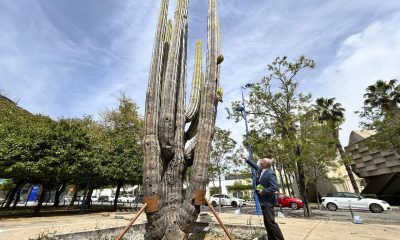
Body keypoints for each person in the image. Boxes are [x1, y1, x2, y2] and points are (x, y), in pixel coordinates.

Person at [245, 157, 285, 240]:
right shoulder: (261, 170)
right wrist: (246, 159)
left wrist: (263, 191)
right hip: (263, 201)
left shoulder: (270, 173)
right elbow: (254, 165)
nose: (260, 161)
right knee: (267, 223)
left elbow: (274, 188)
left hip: (268, 202)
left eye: (262, 161)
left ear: (265, 164)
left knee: (271, 223)